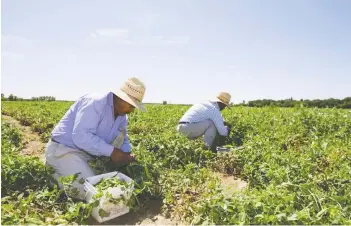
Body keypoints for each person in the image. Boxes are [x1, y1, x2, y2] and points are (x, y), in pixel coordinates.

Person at [45, 77, 146, 200]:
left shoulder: (122, 116)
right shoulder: (95, 103)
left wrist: (127, 154)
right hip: (65, 150)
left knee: (101, 184)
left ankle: (79, 169)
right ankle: (54, 173)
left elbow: (124, 138)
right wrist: (112, 152)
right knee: (90, 192)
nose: (132, 109)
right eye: (131, 105)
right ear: (120, 98)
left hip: (89, 154)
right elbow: (80, 136)